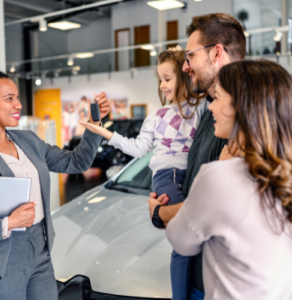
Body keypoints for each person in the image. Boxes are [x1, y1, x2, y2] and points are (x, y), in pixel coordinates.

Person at [80, 47, 208, 300]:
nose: (162, 85)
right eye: (160, 79)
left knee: (195, 239)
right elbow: (137, 149)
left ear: (185, 76)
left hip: (192, 174)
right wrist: (103, 132)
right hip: (166, 177)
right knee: (183, 241)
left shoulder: (201, 107)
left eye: (168, 78)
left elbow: (211, 82)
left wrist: (186, 55)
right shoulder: (156, 116)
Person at [167, 60, 292, 300]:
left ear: (242, 107)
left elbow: (180, 240)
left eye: (219, 97)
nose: (212, 107)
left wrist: (219, 169)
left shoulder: (218, 177)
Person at [148, 13, 246, 300]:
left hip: (219, 285)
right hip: (196, 275)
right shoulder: (211, 113)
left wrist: (160, 213)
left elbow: (217, 206)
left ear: (216, 53)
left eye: (190, 56)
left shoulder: (241, 121)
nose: (186, 66)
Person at [0, 70, 110, 300]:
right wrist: (8, 223)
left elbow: (77, 161)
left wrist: (95, 124)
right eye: (9, 99)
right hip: (2, 255)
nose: (18, 104)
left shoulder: (28, 140)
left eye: (18, 97)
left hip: (40, 247)